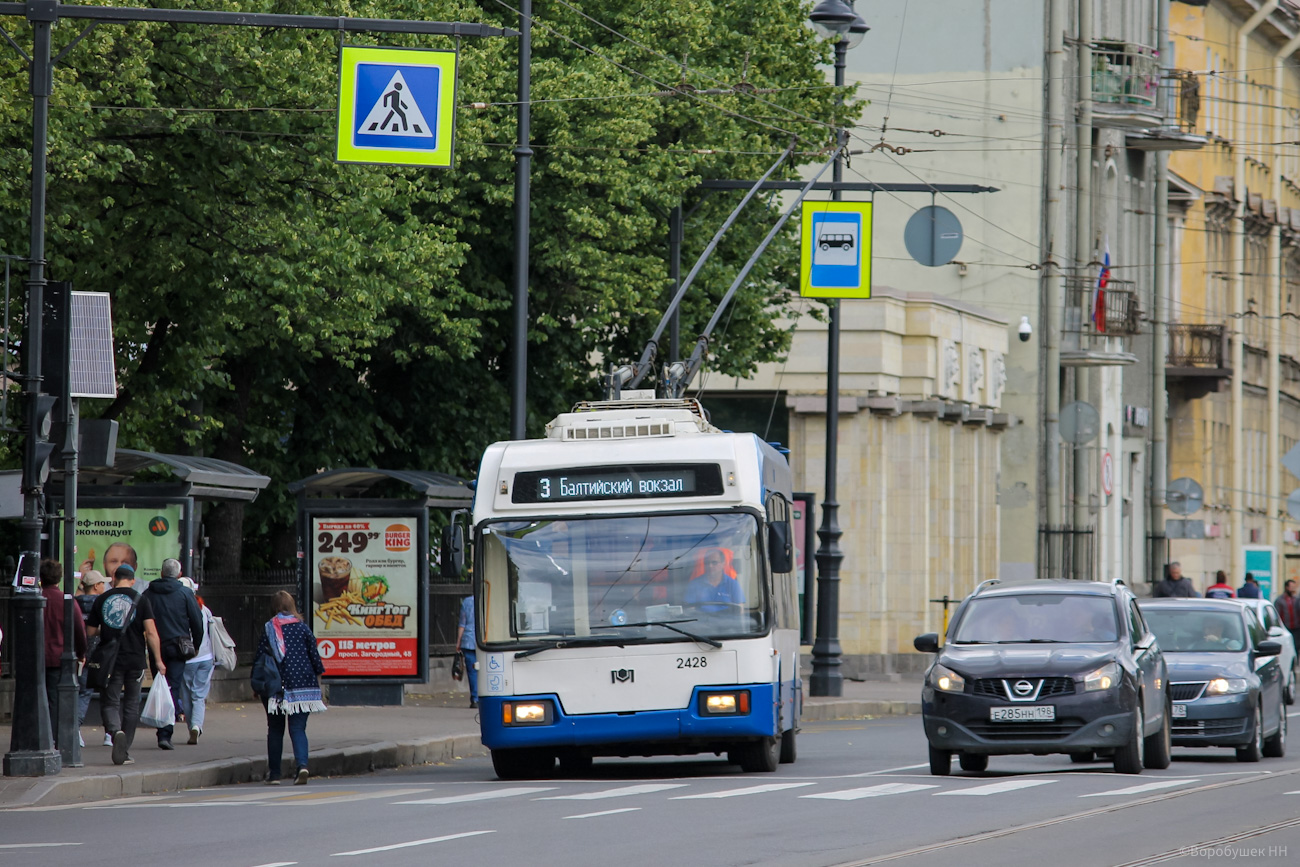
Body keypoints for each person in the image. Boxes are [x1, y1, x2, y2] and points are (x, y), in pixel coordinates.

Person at [87, 564, 165, 765]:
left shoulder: (102, 599)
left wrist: (106, 630)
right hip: (135, 659)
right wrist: (158, 660)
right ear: (132, 580)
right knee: (131, 704)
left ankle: (115, 731)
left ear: (114, 578)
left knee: (110, 701)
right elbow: (151, 632)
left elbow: (90, 631)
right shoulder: (141, 600)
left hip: (111, 660)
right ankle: (124, 748)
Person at [253, 591, 326, 785]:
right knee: (298, 728)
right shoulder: (302, 628)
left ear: (274, 607)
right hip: (303, 685)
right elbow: (315, 658)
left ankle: (275, 775)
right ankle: (302, 766)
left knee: (275, 729)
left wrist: (257, 685)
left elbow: (260, 657)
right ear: (292, 606)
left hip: (276, 685)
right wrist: (318, 684)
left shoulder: (269, 628)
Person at [142, 558, 203, 750]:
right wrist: (196, 645)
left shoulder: (148, 594)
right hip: (178, 647)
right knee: (173, 687)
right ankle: (165, 732)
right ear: (179, 574)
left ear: (161, 573)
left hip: (156, 647)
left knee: (160, 684)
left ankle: (162, 729)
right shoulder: (185, 593)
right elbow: (197, 622)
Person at [40, 558, 87, 748]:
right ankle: (53, 739)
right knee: (55, 701)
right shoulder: (67, 601)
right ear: (59, 578)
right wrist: (81, 653)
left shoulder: (36, 599)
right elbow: (79, 630)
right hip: (59, 658)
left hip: (36, 659)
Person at [179, 576, 216, 745]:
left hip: (188, 659)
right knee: (199, 695)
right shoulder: (204, 609)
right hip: (206, 657)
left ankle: (191, 727)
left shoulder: (179, 609)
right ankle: (196, 726)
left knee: (186, 694)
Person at [75, 570, 110, 746]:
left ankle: (75, 729)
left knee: (83, 692)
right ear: (96, 586)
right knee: (108, 694)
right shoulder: (103, 604)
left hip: (80, 655)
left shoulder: (74, 603)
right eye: (102, 583)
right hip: (102, 653)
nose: (105, 585)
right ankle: (110, 732)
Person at [457, 594, 477, 708]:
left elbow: (462, 624)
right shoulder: (489, 600)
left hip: (468, 641)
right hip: (486, 641)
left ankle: (475, 699)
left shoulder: (467, 602)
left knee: (472, 672)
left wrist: (458, 642)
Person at [1276, 579, 1300, 652]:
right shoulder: (1279, 600)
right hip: (1286, 628)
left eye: (1294, 587)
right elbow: (1277, 615)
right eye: (1291, 587)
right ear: (1286, 587)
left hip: (1296, 627)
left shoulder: (1296, 599)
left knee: (1296, 646)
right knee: (1287, 648)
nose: (1293, 589)